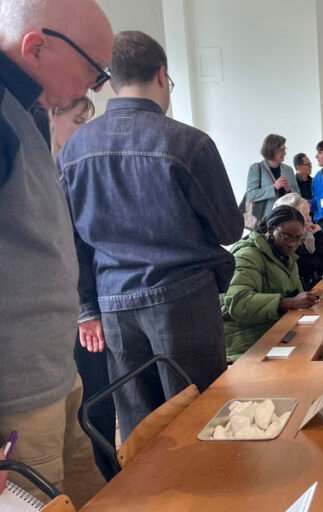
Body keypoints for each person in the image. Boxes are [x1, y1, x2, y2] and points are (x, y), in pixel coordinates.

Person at [58, 31, 244, 441]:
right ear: (162, 75)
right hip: (182, 298)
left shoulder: (72, 150)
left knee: (141, 430)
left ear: (110, 80)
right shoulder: (188, 143)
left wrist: (87, 309)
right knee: (201, 420)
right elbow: (229, 229)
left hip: (114, 304)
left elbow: (71, 243)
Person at [0, 0, 113, 505]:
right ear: (36, 46)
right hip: (16, 394)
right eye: (93, 70)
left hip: (53, 372)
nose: (94, 87)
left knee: (91, 492)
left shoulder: (27, 109)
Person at [51, 94, 117, 481]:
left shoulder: (66, 166)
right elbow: (71, 247)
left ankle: (109, 480)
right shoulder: (54, 171)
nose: (85, 129)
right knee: (91, 407)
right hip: (76, 312)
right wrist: (87, 310)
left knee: (96, 407)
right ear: (51, 116)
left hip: (84, 304)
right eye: (78, 119)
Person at [220, 206, 320, 361]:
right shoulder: (248, 255)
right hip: (246, 341)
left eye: (298, 239)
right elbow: (238, 302)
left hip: (274, 330)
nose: (292, 244)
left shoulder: (285, 256)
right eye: (286, 236)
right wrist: (287, 302)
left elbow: (294, 296)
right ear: (271, 230)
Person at [273, 193, 323, 291]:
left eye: (309, 214)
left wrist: (317, 234)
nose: (310, 219)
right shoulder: (291, 244)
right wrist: (318, 235)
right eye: (306, 215)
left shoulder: (306, 237)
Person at [246, 134, 299, 222]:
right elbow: (251, 195)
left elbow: (298, 196)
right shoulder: (256, 168)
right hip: (265, 221)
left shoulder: (289, 170)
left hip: (287, 219)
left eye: (285, 149)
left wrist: (288, 190)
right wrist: (274, 188)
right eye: (282, 150)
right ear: (272, 150)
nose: (285, 153)